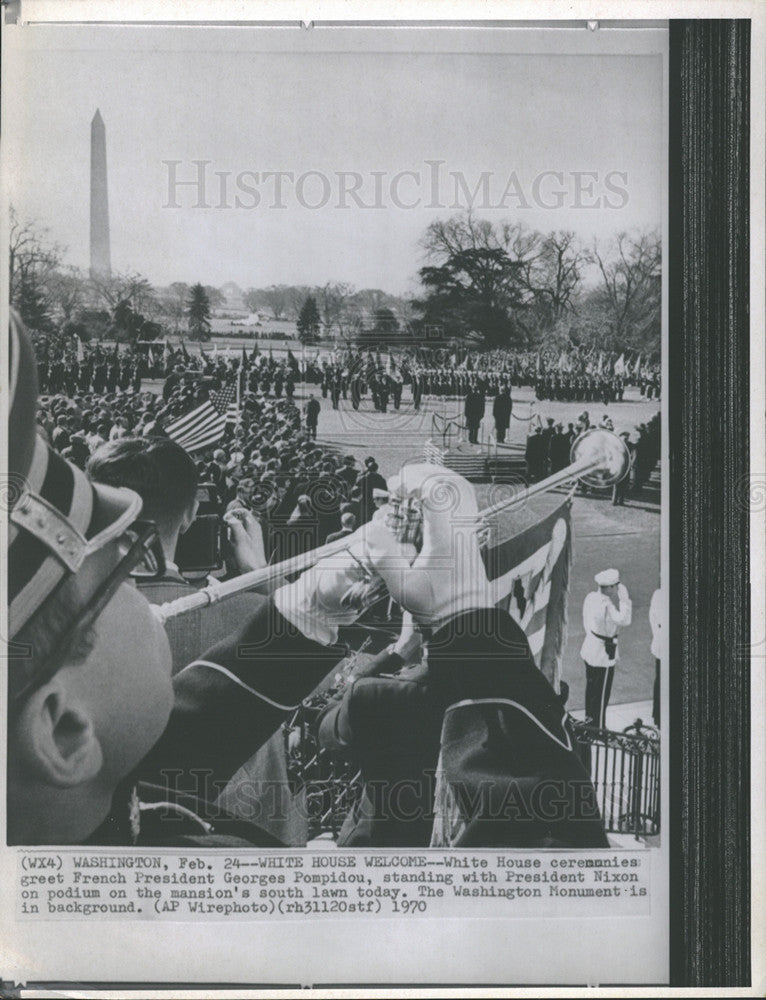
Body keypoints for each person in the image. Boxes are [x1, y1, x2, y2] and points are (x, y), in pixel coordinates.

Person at [6, 314, 387, 846]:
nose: (136, 578)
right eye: (113, 572)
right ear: (64, 728)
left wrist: (303, 609)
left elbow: (193, 733)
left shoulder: (60, 802)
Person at [316, 464, 608, 848]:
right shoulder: (527, 703)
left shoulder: (375, 697)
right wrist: (463, 611)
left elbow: (325, 729)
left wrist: (396, 653)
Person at [580, 569, 632, 730]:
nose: (617, 588)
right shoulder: (607, 605)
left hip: (591, 646)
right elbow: (624, 620)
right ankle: (599, 729)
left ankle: (589, 722)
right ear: (609, 588)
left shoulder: (591, 597)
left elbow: (585, 619)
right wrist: (625, 600)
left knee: (591, 690)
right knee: (602, 694)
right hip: (603, 653)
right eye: (615, 585)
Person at [649, 587, 663, 727]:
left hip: (660, 644)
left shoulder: (658, 593)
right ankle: (659, 715)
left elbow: (652, 618)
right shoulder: (659, 594)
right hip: (663, 645)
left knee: (660, 680)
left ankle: (657, 715)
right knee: (661, 681)